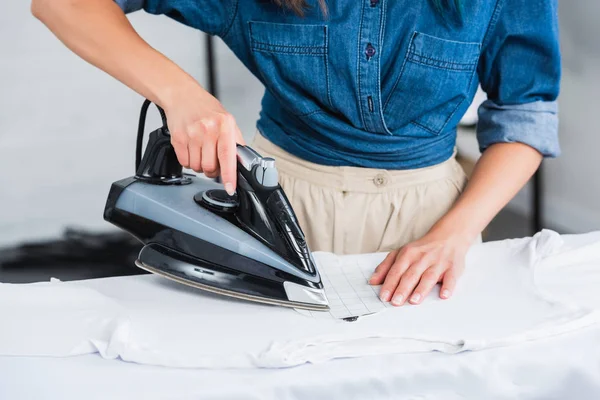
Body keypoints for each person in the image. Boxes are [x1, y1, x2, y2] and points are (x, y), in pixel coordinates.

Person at [31, 0, 561, 307]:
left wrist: (456, 234)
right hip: (280, 206)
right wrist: (180, 94)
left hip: (436, 223)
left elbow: (525, 111)